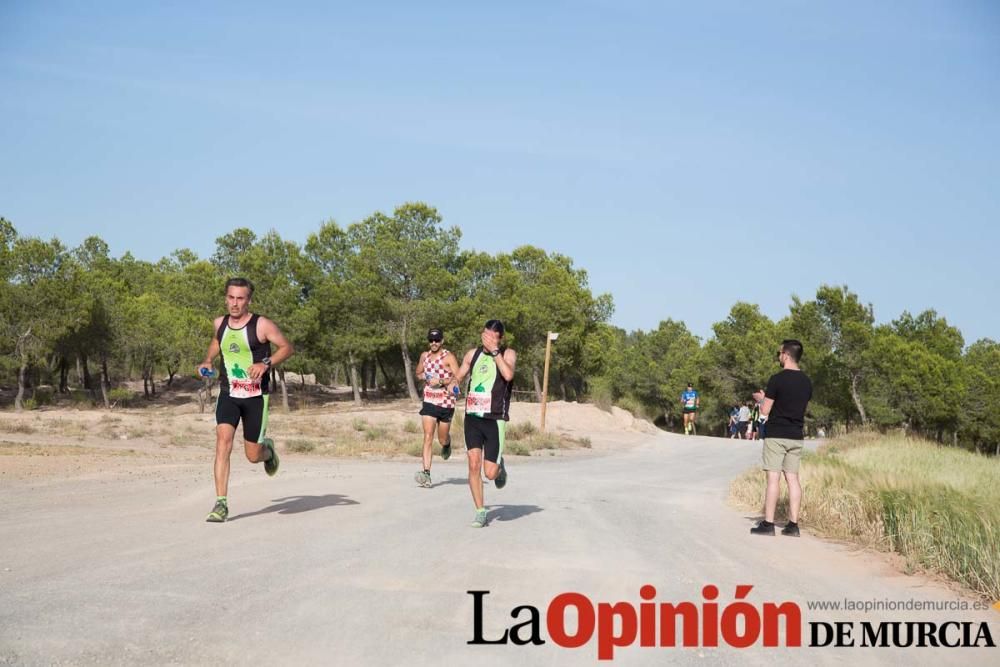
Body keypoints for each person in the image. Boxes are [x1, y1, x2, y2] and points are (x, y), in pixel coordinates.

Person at [196, 278, 294, 523]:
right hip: (229, 393)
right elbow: (218, 342)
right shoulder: (219, 323)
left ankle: (268, 451)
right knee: (223, 443)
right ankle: (221, 504)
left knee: (252, 455)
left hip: (255, 397)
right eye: (231, 297)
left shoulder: (261, 325)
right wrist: (207, 360)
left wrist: (265, 363)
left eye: (240, 298)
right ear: (226, 298)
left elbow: (286, 347)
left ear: (248, 300)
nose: (235, 303)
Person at [454, 320, 517, 528]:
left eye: (493, 336)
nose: (488, 338)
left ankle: (500, 468)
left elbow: (508, 375)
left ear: (500, 338)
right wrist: (452, 386)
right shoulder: (473, 354)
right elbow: (459, 377)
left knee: (489, 473)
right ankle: (480, 511)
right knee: (473, 464)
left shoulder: (508, 354)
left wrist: (495, 352)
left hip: (495, 420)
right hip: (472, 417)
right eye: (485, 334)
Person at [751, 339, 813, 537]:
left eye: (780, 353)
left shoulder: (777, 379)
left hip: (777, 433)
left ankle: (768, 524)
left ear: (786, 355)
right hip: (796, 435)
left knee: (773, 478)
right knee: (793, 479)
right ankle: (793, 525)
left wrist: (762, 399)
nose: (779, 356)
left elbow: (766, 410)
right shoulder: (807, 382)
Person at [413, 328, 460, 487]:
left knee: (441, 438)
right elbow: (418, 373)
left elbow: (458, 377)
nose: (434, 343)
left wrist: (440, 382)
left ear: (442, 341)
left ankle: (447, 444)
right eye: (431, 340)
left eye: (437, 340)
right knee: (427, 436)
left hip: (446, 402)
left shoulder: (448, 357)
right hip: (429, 401)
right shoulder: (424, 356)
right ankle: (426, 473)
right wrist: (425, 377)